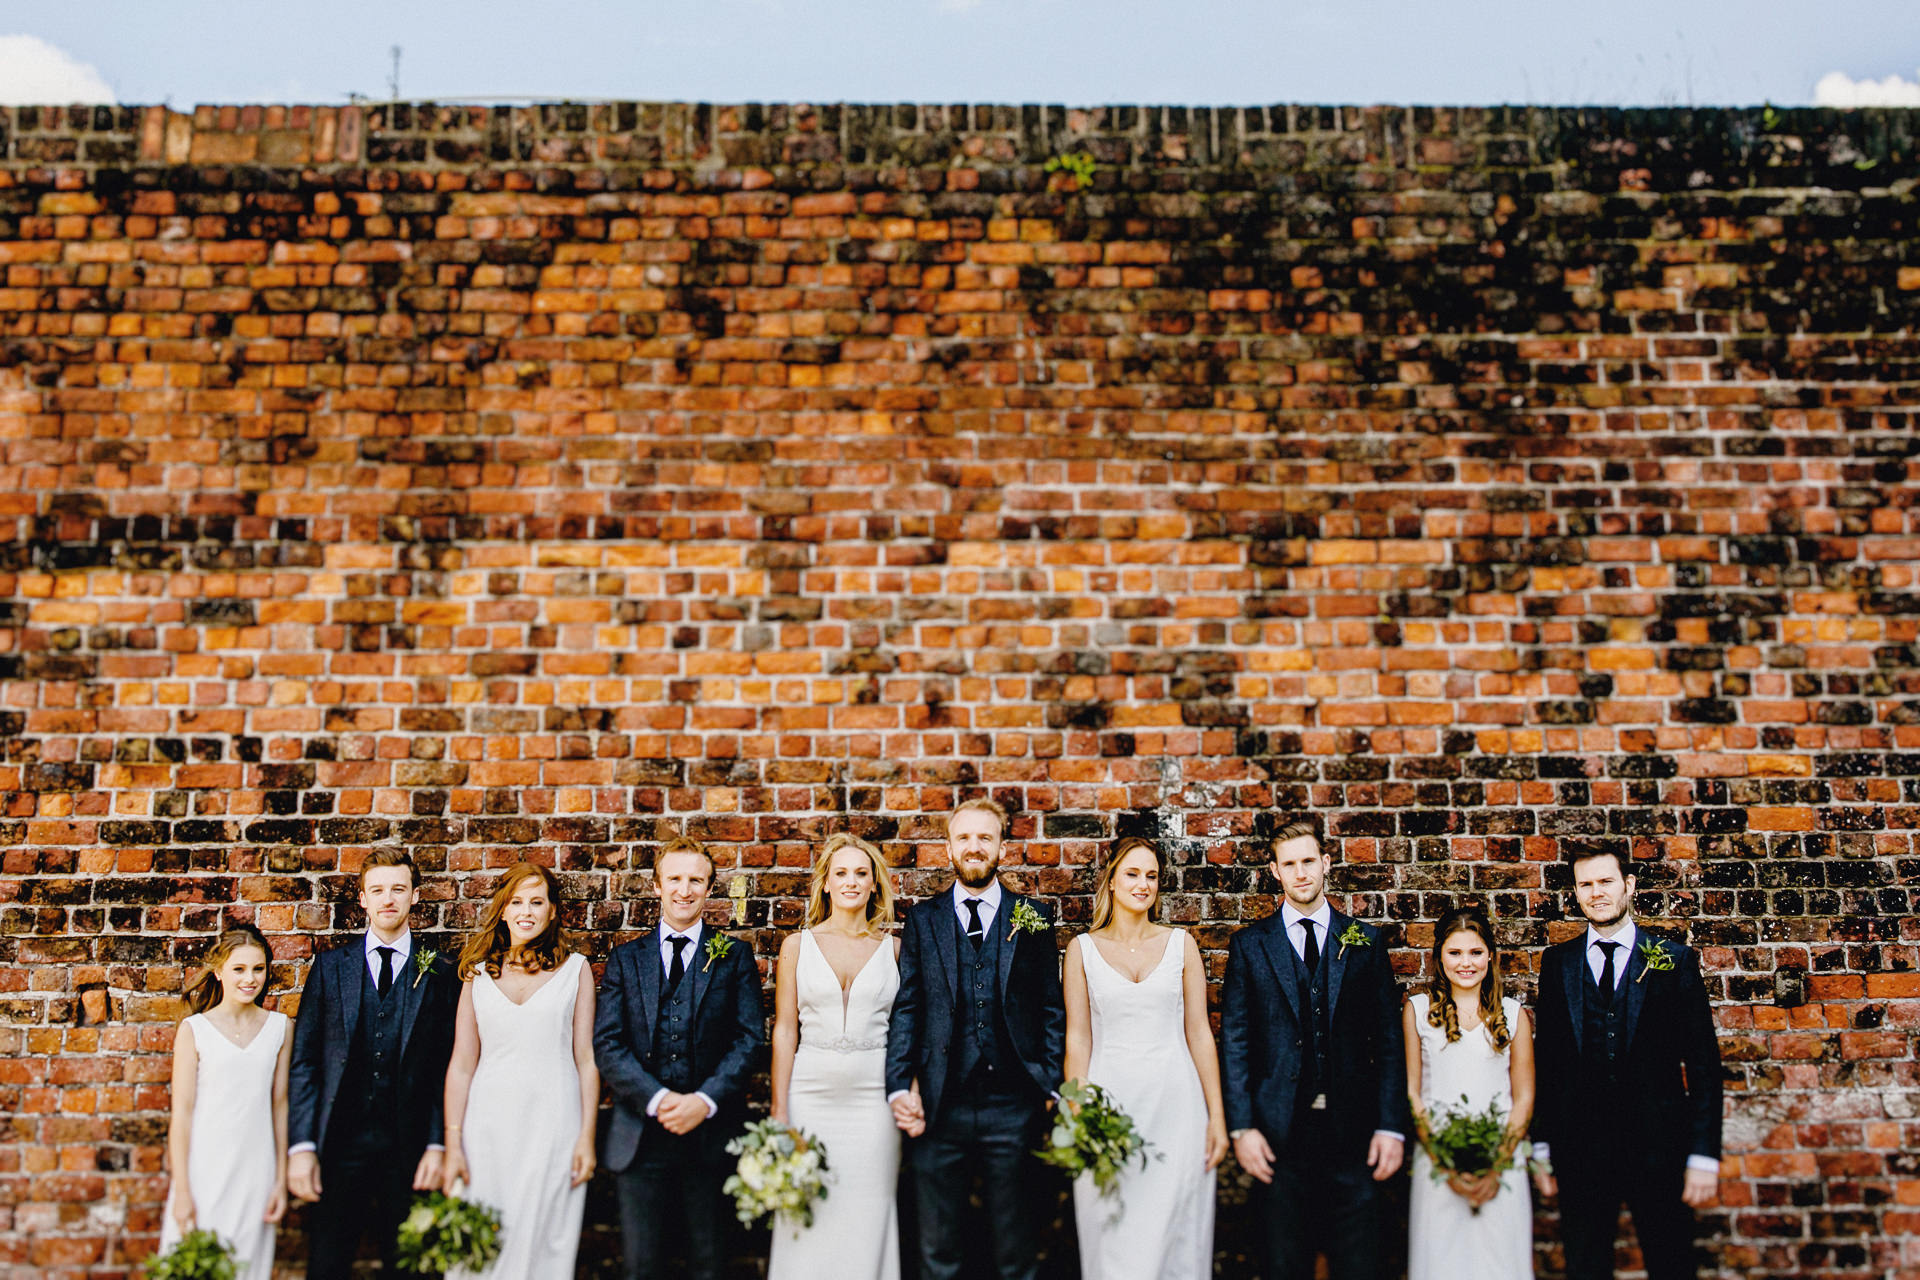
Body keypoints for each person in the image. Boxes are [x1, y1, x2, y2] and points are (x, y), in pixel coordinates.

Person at [885, 797, 1066, 1280]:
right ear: (949, 848)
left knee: (1016, 1247)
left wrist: (1049, 1082)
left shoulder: (1034, 917)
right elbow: (909, 1007)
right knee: (939, 1248)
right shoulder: (924, 920)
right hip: (942, 1103)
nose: (974, 847)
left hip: (1015, 1103)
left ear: (1002, 847)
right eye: (964, 838)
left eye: (985, 837)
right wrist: (901, 1084)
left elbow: (1051, 1006)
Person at [1221, 816, 1409, 1280]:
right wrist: (1242, 1128)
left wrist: (1391, 1126)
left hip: (1355, 1136)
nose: (1301, 872)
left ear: (1326, 863)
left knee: (1360, 1265)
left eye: (1309, 861)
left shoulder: (1365, 940)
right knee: (1283, 1264)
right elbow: (1237, 1042)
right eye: (1290, 864)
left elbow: (1388, 1042)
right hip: (1278, 1138)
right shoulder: (1249, 946)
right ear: (1275, 872)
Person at [1532, 850, 1724, 1280]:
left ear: (1629, 885)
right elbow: (1549, 1062)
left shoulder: (1673, 960)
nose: (1596, 893)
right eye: (1586, 885)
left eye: (1605, 882)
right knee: (1585, 1267)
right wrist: (1542, 1148)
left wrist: (1704, 1156)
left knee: (1672, 1263)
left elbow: (1703, 1063)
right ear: (1576, 892)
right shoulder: (1557, 963)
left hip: (1660, 1146)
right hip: (1579, 1150)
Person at [594, 836, 766, 1280]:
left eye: (696, 880)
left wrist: (702, 1102)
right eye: (674, 878)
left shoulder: (735, 956)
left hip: (711, 1137)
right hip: (640, 1136)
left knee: (710, 1264)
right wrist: (658, 1100)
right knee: (640, 1267)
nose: (684, 890)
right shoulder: (626, 959)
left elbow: (749, 1039)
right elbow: (608, 1043)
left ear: (709, 889)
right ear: (657, 885)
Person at [287, 850, 460, 1280]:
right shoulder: (330, 968)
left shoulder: (439, 970)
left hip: (411, 1148)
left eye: (398, 889)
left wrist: (439, 1145)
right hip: (339, 1145)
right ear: (362, 899)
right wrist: (302, 1147)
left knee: (411, 1269)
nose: (388, 899)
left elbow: (448, 1066)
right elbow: (305, 1062)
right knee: (327, 1264)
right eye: (378, 890)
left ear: (415, 896)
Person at [1062, 836, 1226, 1280]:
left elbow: (1200, 1034)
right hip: (1108, 1105)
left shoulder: (1181, 945)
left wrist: (1216, 1117)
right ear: (1111, 881)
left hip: (1177, 1107)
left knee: (1178, 1234)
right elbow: (1078, 1040)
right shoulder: (1082, 949)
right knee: (1113, 1235)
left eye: (1151, 876)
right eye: (1132, 874)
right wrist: (1077, 1116)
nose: (1143, 884)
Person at [440, 862, 597, 1278]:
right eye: (517, 901)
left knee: (543, 1245)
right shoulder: (477, 974)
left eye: (536, 901)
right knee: (481, 1244)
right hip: (486, 1130)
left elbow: (586, 1058)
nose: (526, 911)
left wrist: (586, 1138)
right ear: (503, 910)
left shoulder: (575, 970)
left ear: (552, 912)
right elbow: (460, 1064)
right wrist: (453, 1144)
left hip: (554, 1127)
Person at [767, 832, 903, 1280]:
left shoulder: (895, 949)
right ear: (825, 883)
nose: (850, 881)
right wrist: (780, 1108)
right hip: (810, 1095)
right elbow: (785, 1030)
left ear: (874, 884)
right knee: (806, 1212)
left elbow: (909, 1032)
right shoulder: (796, 947)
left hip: (874, 1100)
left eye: (860, 873)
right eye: (840, 873)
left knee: (869, 1210)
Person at [1404, 907, 1534, 1280]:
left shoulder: (1513, 1015)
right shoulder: (1417, 1011)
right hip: (1439, 1164)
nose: (1466, 963)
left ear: (1490, 955)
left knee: (1500, 1263)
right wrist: (1445, 1162)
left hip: (1501, 1163)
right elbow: (1413, 1093)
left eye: (1475, 952)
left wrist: (1495, 1166)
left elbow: (1523, 1098)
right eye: (1455, 953)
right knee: (1442, 1263)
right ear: (1439, 956)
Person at [160, 924, 291, 1280]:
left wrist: (280, 1181)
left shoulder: (280, 1027)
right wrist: (183, 1190)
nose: (250, 979)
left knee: (246, 1269)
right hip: (204, 1173)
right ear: (219, 972)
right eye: (239, 969)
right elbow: (182, 1115)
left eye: (258, 969)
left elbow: (279, 1106)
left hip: (256, 1174)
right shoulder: (194, 1030)